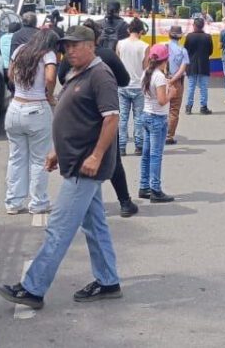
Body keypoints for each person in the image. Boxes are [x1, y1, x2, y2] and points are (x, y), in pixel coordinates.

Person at [0, 24, 123, 310]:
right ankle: (108, 281)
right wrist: (57, 151)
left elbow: (111, 118)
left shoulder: (101, 75)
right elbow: (75, 117)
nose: (70, 50)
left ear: (91, 45)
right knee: (95, 226)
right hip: (75, 158)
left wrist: (96, 156)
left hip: (85, 165)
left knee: (59, 227)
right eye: (67, 46)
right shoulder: (79, 72)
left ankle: (32, 288)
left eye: (76, 45)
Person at [58, 20, 139, 217]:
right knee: (112, 160)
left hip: (80, 117)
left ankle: (92, 205)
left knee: (85, 159)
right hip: (101, 112)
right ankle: (124, 202)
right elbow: (125, 80)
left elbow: (61, 78)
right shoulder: (107, 56)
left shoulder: (74, 59)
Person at [4, 29, 58, 215]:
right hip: (37, 108)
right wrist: (49, 95)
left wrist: (21, 86)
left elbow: (10, 73)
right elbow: (50, 77)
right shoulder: (48, 54)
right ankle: (38, 203)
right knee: (39, 159)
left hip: (14, 107)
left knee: (16, 157)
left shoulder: (20, 50)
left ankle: (13, 202)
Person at [139, 43, 176, 203]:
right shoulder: (159, 76)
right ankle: (155, 189)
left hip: (147, 114)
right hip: (157, 117)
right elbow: (161, 100)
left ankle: (144, 185)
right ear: (165, 60)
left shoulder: (147, 73)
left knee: (146, 154)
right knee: (156, 155)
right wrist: (171, 94)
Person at [116, 18, 148, 156]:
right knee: (139, 117)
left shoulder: (120, 44)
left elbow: (117, 64)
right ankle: (139, 146)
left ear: (128, 30)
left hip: (123, 85)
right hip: (138, 85)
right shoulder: (145, 46)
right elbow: (145, 68)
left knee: (123, 117)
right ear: (141, 31)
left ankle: (122, 146)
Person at [165, 25, 189, 144]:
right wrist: (173, 80)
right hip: (176, 82)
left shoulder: (163, 47)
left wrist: (166, 78)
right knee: (174, 110)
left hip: (162, 80)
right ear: (180, 37)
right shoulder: (183, 50)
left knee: (159, 108)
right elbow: (182, 69)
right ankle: (169, 136)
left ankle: (157, 133)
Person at [184, 17, 213, 115]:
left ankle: (188, 107)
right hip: (204, 64)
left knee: (191, 86)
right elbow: (210, 51)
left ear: (194, 26)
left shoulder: (189, 36)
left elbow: (186, 50)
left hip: (191, 64)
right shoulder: (208, 37)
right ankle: (203, 107)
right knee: (203, 87)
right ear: (203, 26)